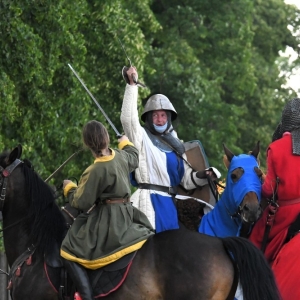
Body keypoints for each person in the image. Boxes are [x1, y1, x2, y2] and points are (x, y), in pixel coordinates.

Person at [60, 120, 154, 300]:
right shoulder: (120, 156)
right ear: (106, 137)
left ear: (87, 143)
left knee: (68, 248)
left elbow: (81, 202)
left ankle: (85, 296)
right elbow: (133, 156)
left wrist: (69, 188)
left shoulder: (95, 170)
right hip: (128, 213)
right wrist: (125, 142)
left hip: (110, 220)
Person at [120, 66, 221, 233]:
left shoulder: (177, 145)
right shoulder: (141, 138)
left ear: (169, 118)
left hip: (169, 205)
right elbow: (128, 120)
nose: (159, 120)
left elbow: (186, 181)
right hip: (145, 202)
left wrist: (204, 175)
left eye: (163, 115)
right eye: (155, 115)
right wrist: (131, 86)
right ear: (149, 118)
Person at [249, 97, 300, 266]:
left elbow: (270, 189)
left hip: (286, 213)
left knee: (256, 237)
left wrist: (260, 183)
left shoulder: (277, 147)